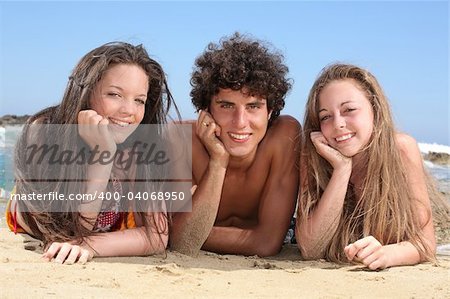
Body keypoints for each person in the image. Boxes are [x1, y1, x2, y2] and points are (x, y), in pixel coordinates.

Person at [6, 42, 177, 264]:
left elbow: (156, 236)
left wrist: (90, 245)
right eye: (115, 94)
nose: (129, 111)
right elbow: (66, 233)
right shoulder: (45, 132)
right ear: (87, 92)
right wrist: (102, 156)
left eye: (139, 100)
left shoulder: (139, 146)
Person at [170, 33, 301, 257]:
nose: (240, 122)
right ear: (206, 111)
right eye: (227, 105)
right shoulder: (180, 139)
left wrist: (188, 231)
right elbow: (183, 242)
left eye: (253, 106)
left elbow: (267, 243)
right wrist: (218, 161)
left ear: (270, 112)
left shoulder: (284, 136)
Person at [296, 63, 438, 270]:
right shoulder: (314, 156)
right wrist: (341, 170)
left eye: (349, 110)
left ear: (375, 109)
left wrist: (388, 255)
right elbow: (310, 249)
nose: (338, 124)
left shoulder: (401, 151)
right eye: (325, 116)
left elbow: (425, 242)